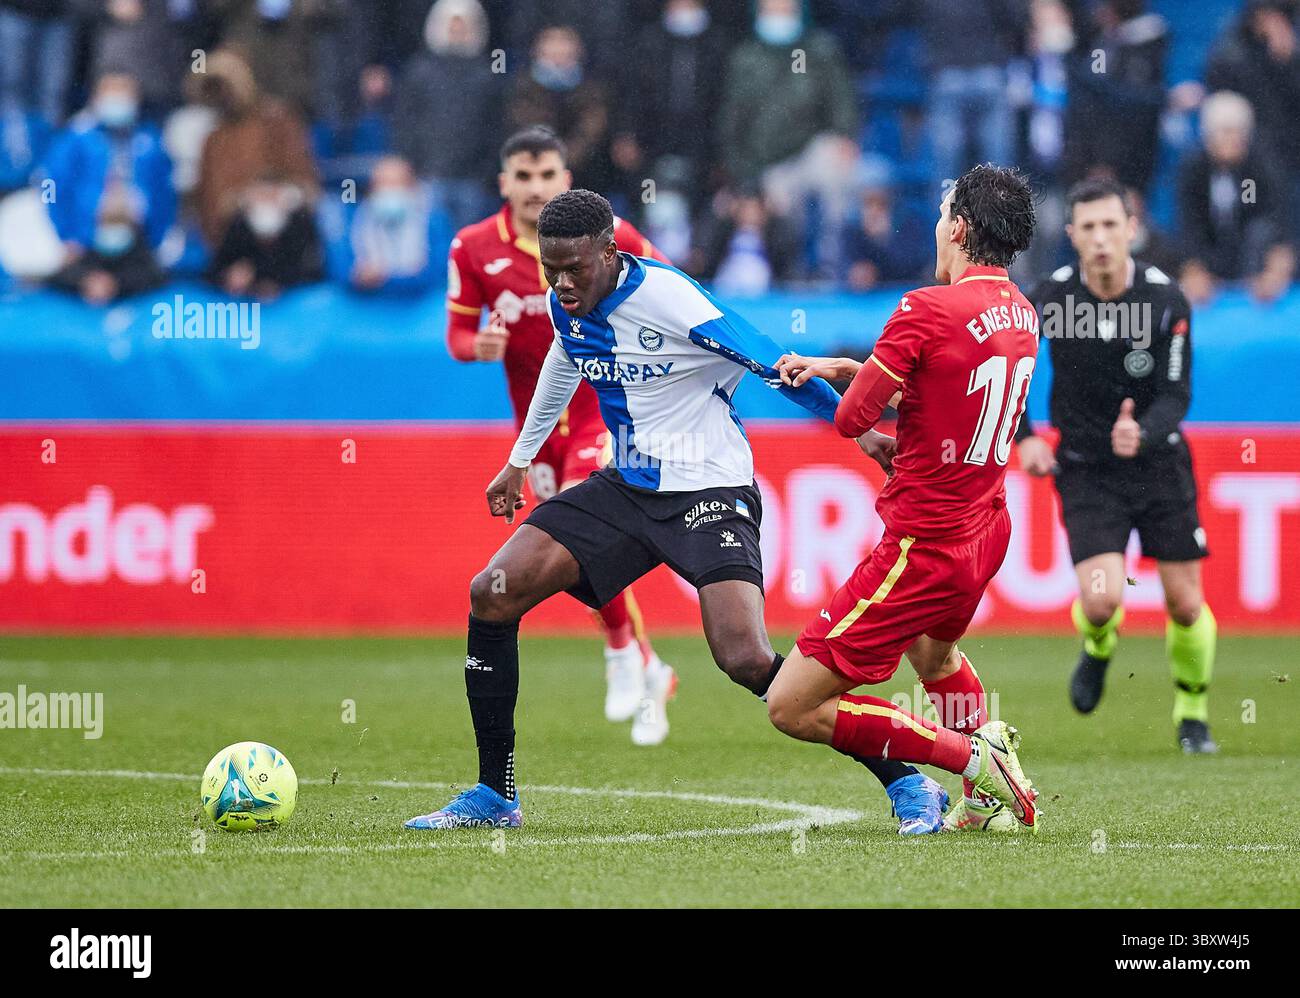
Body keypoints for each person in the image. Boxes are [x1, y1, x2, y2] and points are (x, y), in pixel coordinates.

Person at [405, 189, 947, 832]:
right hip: (626, 488)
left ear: (610, 251)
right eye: (551, 269)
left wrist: (860, 432)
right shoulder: (568, 301)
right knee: (492, 593)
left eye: (574, 266)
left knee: (744, 657)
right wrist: (519, 460)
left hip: (709, 488)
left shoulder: (669, 298)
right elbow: (562, 358)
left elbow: (777, 364)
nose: (561, 282)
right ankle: (495, 796)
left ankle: (908, 781)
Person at [764, 164, 1043, 835]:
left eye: (947, 213)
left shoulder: (925, 308)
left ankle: (974, 762)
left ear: (959, 228)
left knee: (792, 706)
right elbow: (942, 391)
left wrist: (851, 383)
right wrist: (850, 367)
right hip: (985, 529)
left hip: (923, 544)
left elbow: (853, 420)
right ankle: (984, 800)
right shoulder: (1023, 312)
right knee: (935, 658)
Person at [444, 127, 675, 746]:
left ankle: (624, 651)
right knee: (570, 544)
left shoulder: (612, 236)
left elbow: (667, 287)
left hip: (604, 408)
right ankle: (645, 661)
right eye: (522, 176)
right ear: (504, 184)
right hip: (537, 423)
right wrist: (479, 347)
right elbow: (457, 336)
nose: (534, 187)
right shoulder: (471, 249)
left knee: (581, 511)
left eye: (546, 175)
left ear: (564, 180)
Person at [1016, 177, 1218, 755]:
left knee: (1184, 602)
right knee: (1103, 599)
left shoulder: (1165, 300)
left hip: (1160, 466)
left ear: (1131, 229)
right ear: (1073, 236)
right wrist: (1027, 437)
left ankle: (1193, 715)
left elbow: (1177, 394)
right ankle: (1100, 645)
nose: (1101, 238)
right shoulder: (1048, 298)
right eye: (1089, 227)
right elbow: (1010, 373)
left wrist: (1145, 431)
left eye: (1112, 225)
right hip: (1086, 468)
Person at [1176, 91, 1294, 305]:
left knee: (1261, 232)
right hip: (1213, 257)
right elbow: (1189, 224)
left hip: (1252, 257)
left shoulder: (1260, 167)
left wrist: (1275, 265)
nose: (1232, 140)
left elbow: (1273, 216)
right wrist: (1194, 268)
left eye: (1238, 133)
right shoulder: (1193, 169)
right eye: (1225, 132)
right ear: (1208, 136)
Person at [208, 175, 323, 299]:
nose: (266, 202)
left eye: (271, 196)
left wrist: (274, 282)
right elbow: (215, 269)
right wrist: (229, 276)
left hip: (295, 304)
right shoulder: (238, 225)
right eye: (260, 195)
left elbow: (313, 270)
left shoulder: (300, 223)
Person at [345, 155, 437, 295]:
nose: (389, 190)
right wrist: (360, 277)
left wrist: (383, 278)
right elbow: (343, 271)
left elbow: (436, 273)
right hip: (370, 309)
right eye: (383, 183)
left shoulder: (433, 219)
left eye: (396, 183)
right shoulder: (356, 219)